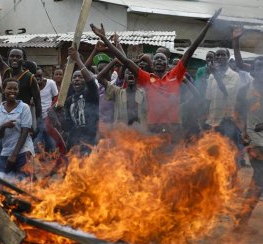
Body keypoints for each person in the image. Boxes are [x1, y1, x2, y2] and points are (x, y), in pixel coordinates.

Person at [90, 9, 221, 142]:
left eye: (162, 59)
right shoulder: (146, 78)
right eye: (156, 59)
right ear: (152, 62)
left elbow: (191, 49)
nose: (159, 61)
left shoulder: (175, 75)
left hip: (173, 127)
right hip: (153, 127)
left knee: (172, 160)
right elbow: (125, 61)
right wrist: (105, 39)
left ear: (167, 63)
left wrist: (208, 26)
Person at [0, 11, 42, 125]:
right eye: (12, 56)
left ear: (23, 59)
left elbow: (38, 102)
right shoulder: (5, 71)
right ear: (8, 58)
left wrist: (38, 124)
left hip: (23, 120)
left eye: (18, 57)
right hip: (4, 117)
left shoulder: (30, 78)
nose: (15, 59)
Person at [235, 56, 263, 228]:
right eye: (256, 67)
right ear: (251, 70)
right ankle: (242, 219)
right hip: (255, 141)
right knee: (259, 177)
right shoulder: (245, 90)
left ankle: (242, 217)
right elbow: (238, 114)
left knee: (258, 180)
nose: (258, 70)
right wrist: (243, 132)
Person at [60, 46, 99, 152]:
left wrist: (77, 59)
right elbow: (67, 126)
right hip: (74, 143)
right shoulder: (69, 101)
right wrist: (58, 116)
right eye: (74, 77)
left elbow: (91, 81)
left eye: (80, 77)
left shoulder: (91, 94)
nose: (77, 79)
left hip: (91, 142)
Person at [0, 78, 34, 175]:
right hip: (6, 151)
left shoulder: (24, 107)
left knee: (23, 184)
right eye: (9, 88)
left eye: (15, 89)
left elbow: (24, 133)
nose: (12, 91)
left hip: (23, 150)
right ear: (3, 90)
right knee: (2, 183)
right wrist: (3, 126)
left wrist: (14, 155)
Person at [204, 48, 241, 149]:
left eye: (223, 55)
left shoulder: (234, 76)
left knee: (227, 151)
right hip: (212, 121)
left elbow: (226, 92)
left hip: (227, 121)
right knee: (212, 153)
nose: (220, 57)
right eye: (218, 55)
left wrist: (216, 75)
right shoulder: (212, 77)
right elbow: (208, 99)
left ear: (228, 57)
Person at [34, 67, 58, 152]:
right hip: (36, 118)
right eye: (35, 76)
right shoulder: (32, 85)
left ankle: (54, 160)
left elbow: (56, 97)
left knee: (50, 142)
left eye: (39, 76)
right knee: (38, 143)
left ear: (43, 75)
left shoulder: (50, 83)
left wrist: (52, 109)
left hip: (48, 117)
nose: (37, 78)